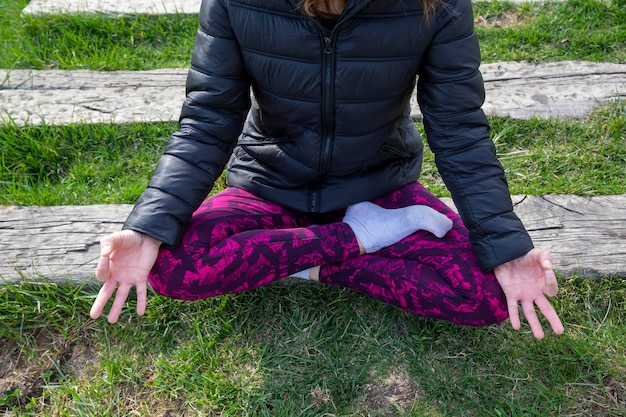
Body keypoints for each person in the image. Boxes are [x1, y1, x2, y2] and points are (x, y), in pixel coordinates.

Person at [90, 0, 564, 339]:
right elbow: (208, 120)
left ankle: (297, 258)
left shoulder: (437, 5)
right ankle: (361, 238)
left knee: (488, 293)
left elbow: (459, 130)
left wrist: (505, 244)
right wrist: (148, 227)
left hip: (379, 184)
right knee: (170, 266)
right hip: (270, 182)